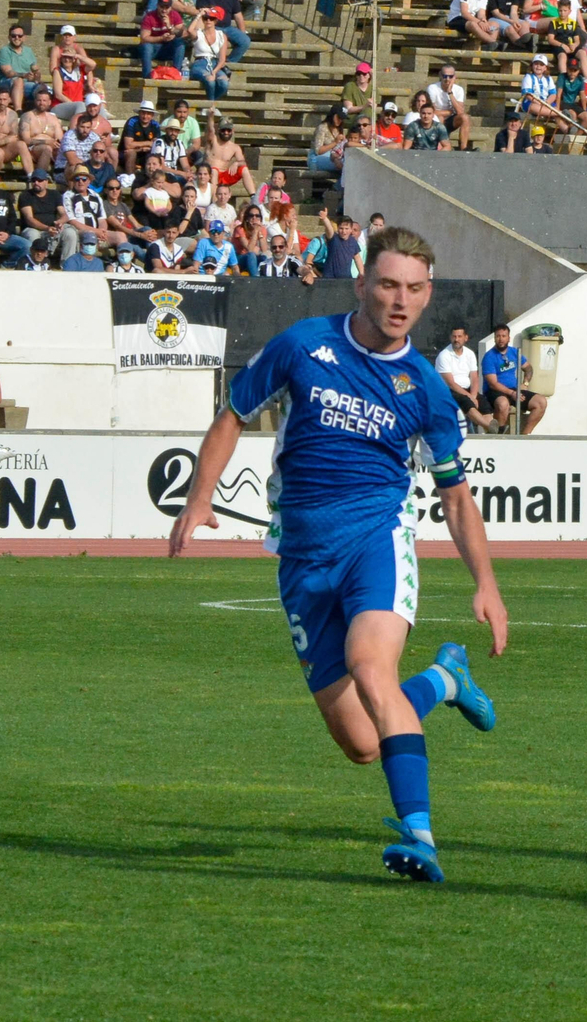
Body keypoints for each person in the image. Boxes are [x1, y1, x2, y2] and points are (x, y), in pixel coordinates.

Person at [168, 226, 508, 883]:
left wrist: (486, 584)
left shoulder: (427, 389)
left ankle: (421, 839)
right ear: (361, 284)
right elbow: (234, 412)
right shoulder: (304, 345)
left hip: (377, 542)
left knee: (370, 666)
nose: (399, 299)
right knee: (359, 742)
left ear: (428, 294)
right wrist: (198, 496)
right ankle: (445, 679)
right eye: (387, 284)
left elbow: (457, 497)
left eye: (413, 288)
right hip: (300, 558)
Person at [481, 323, 548, 434]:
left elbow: (528, 368)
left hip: (514, 390)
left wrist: (525, 383)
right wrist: (511, 393)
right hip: (495, 392)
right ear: (494, 338)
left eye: (503, 336)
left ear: (508, 338)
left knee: (541, 402)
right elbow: (493, 383)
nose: (501, 339)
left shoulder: (514, 352)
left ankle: (525, 435)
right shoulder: (489, 357)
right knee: (503, 404)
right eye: (498, 336)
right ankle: (498, 434)